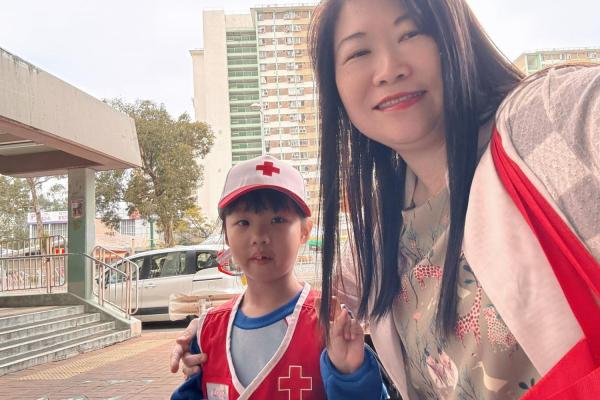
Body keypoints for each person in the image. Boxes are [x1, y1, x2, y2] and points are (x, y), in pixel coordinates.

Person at [173, 0, 600, 398]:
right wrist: (214, 329)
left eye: (411, 33)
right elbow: (307, 300)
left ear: (455, 34)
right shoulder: (381, 232)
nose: (389, 69)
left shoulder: (544, 123)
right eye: (359, 52)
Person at [170, 155, 386, 400]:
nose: (259, 236)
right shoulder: (208, 331)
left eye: (277, 220)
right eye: (243, 222)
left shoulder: (330, 322)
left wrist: (350, 375)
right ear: (227, 235)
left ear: (304, 231)